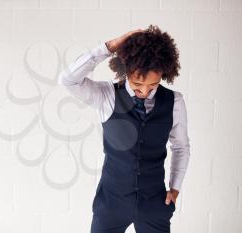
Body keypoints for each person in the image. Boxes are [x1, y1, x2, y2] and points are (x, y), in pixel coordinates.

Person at [58, 25, 190, 233]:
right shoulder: (106, 95)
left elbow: (181, 147)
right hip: (111, 203)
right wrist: (108, 47)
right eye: (138, 83)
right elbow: (68, 80)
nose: (145, 91)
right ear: (126, 70)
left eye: (153, 85)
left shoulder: (174, 102)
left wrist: (174, 188)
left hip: (154, 204)